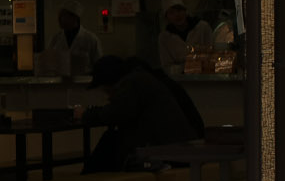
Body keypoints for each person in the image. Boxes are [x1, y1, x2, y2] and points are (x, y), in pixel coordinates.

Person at [72, 56, 204, 172]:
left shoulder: (133, 83)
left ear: (110, 83)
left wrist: (86, 114)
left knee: (110, 143)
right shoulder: (147, 79)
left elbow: (113, 114)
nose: (107, 96)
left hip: (167, 152)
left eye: (106, 91)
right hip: (181, 148)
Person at [47, 2, 102, 74]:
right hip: (60, 82)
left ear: (74, 17)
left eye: (63, 15)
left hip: (83, 82)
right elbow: (49, 63)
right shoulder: (55, 39)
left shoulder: (91, 39)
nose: (59, 19)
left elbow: (99, 65)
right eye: (59, 16)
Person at [159, 0, 194, 71]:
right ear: (167, 17)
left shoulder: (202, 28)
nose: (177, 15)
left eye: (179, 10)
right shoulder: (164, 37)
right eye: (171, 12)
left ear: (185, 11)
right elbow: (166, 66)